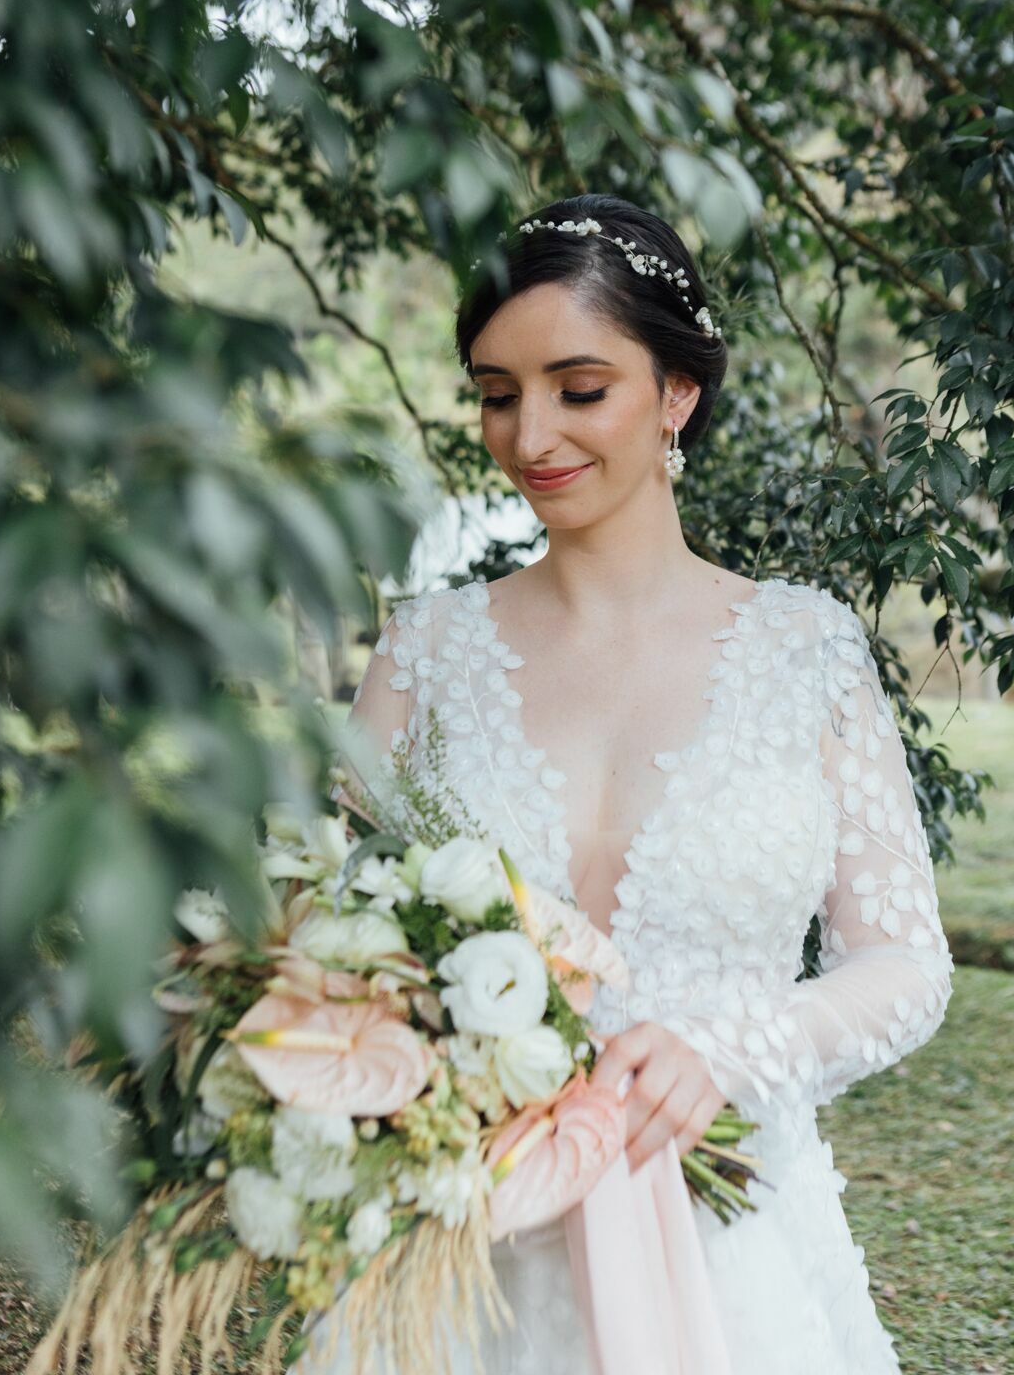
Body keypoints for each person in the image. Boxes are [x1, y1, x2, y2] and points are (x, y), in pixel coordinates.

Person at [302, 194, 954, 1374]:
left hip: (732, 1248)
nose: (528, 434)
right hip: (467, 1259)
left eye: (577, 386)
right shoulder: (423, 653)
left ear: (675, 394)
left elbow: (905, 966)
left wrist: (735, 1046)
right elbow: (340, 957)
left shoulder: (804, 652)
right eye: (497, 394)